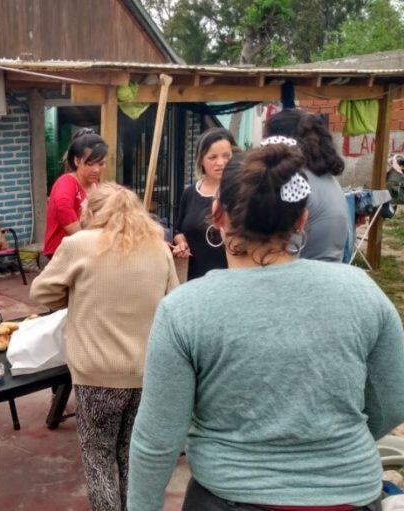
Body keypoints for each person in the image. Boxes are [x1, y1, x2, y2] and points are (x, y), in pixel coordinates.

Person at [128, 143, 404, 511]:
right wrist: (331, 439)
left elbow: (158, 439)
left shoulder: (185, 310)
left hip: (227, 498)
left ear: (217, 214)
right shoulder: (361, 291)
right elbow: (394, 396)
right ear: (303, 219)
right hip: (350, 493)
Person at [31, 183, 178, 511]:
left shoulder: (78, 244)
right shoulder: (159, 247)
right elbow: (173, 302)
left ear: (92, 212)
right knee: (131, 456)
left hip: (96, 374)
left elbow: (40, 293)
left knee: (97, 456)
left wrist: (72, 293)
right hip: (146, 372)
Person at [265, 109, 348, 262]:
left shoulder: (295, 181)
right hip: (332, 268)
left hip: (306, 274)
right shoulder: (326, 178)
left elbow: (282, 251)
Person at [172, 127, 236, 280]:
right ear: (201, 159)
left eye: (226, 156)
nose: (220, 162)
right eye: (213, 157)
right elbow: (178, 230)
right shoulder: (190, 193)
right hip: (195, 278)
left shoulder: (241, 193)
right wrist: (181, 243)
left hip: (229, 279)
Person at [42, 128, 106, 259]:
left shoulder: (97, 186)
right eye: (90, 164)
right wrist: (87, 242)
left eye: (101, 164)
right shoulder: (67, 182)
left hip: (87, 249)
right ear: (77, 161)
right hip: (64, 251)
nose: (96, 170)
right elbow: (63, 207)